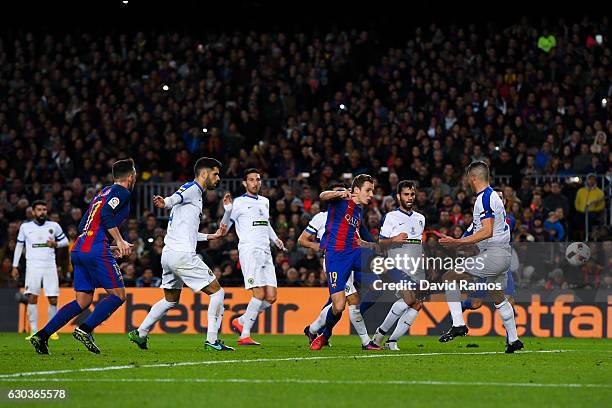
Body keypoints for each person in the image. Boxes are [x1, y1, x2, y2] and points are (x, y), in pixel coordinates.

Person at [29, 158, 137, 355]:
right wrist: (119, 241)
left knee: (83, 301)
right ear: (130, 176)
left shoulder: (102, 193)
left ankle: (42, 335)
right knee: (118, 295)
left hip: (79, 247)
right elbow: (105, 215)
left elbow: (83, 226)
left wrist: (109, 245)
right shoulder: (122, 191)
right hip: (95, 249)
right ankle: (85, 329)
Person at [128, 157, 233, 351]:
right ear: (204, 174)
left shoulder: (196, 196)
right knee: (218, 293)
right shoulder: (192, 189)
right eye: (215, 174)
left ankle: (140, 333)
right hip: (182, 255)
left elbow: (189, 232)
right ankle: (212, 340)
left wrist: (212, 235)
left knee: (170, 300)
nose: (218, 178)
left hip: (169, 255)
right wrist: (165, 202)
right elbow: (177, 196)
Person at [438, 161, 523, 353]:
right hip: (503, 256)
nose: (468, 181)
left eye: (468, 178)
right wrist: (460, 242)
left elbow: (487, 232)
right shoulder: (493, 197)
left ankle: (458, 324)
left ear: (473, 178)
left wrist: (457, 243)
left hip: (493, 255)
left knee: (449, 278)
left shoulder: (484, 198)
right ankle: (514, 341)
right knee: (498, 297)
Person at [298, 183, 372, 349]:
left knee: (340, 303)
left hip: (350, 257)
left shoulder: (353, 212)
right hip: (334, 259)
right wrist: (317, 246)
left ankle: (313, 329)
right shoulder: (321, 217)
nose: (343, 195)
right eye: (338, 193)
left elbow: (359, 237)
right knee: (349, 300)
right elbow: (301, 240)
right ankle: (365, 341)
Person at [222, 168, 285, 346]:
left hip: (266, 251)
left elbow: (266, 223)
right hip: (250, 251)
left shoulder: (265, 202)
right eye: (251, 180)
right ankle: (244, 335)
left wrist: (275, 239)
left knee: (271, 296)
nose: (255, 183)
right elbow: (225, 228)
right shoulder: (238, 203)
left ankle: (241, 321)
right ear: (244, 183)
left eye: (258, 179)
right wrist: (227, 211)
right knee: (259, 293)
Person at [368, 180, 427, 351]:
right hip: (396, 265)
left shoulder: (420, 218)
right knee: (409, 299)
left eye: (412, 194)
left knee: (416, 304)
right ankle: (378, 335)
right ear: (398, 196)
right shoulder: (391, 217)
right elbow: (381, 242)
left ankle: (390, 341)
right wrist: (394, 239)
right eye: (406, 194)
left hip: (416, 267)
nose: (410, 198)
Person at [12, 200, 69, 339]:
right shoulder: (25, 227)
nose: (42, 212)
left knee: (53, 299)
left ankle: (52, 330)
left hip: (50, 265)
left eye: (44, 209)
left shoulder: (54, 225)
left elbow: (66, 241)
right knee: (32, 297)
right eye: (39, 209)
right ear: (33, 212)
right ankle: (34, 330)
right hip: (33, 266)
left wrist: (55, 244)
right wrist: (15, 266)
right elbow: (19, 246)